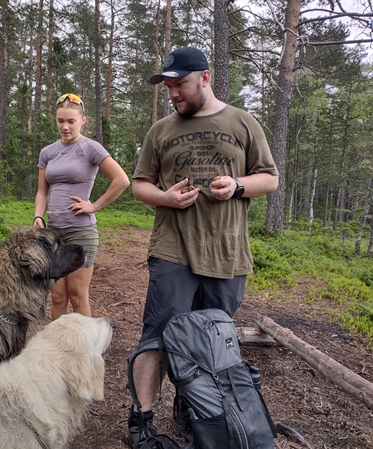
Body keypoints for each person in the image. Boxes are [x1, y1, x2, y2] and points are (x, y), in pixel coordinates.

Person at [124, 47, 279, 449]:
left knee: (211, 338)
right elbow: (140, 183)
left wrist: (239, 185)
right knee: (158, 335)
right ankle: (140, 420)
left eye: (180, 85)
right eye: (169, 87)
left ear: (205, 78)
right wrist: (166, 198)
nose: (173, 93)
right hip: (173, 247)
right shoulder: (160, 131)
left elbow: (270, 178)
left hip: (226, 251)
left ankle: (193, 407)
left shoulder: (243, 122)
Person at [33, 93, 129, 320]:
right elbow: (42, 191)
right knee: (57, 297)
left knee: (77, 296)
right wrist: (38, 216)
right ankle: (59, 348)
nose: (65, 127)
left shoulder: (91, 148)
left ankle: (85, 351)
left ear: (83, 121)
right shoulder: (48, 152)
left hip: (80, 232)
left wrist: (94, 206)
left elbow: (122, 180)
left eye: (71, 121)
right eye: (60, 121)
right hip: (53, 234)